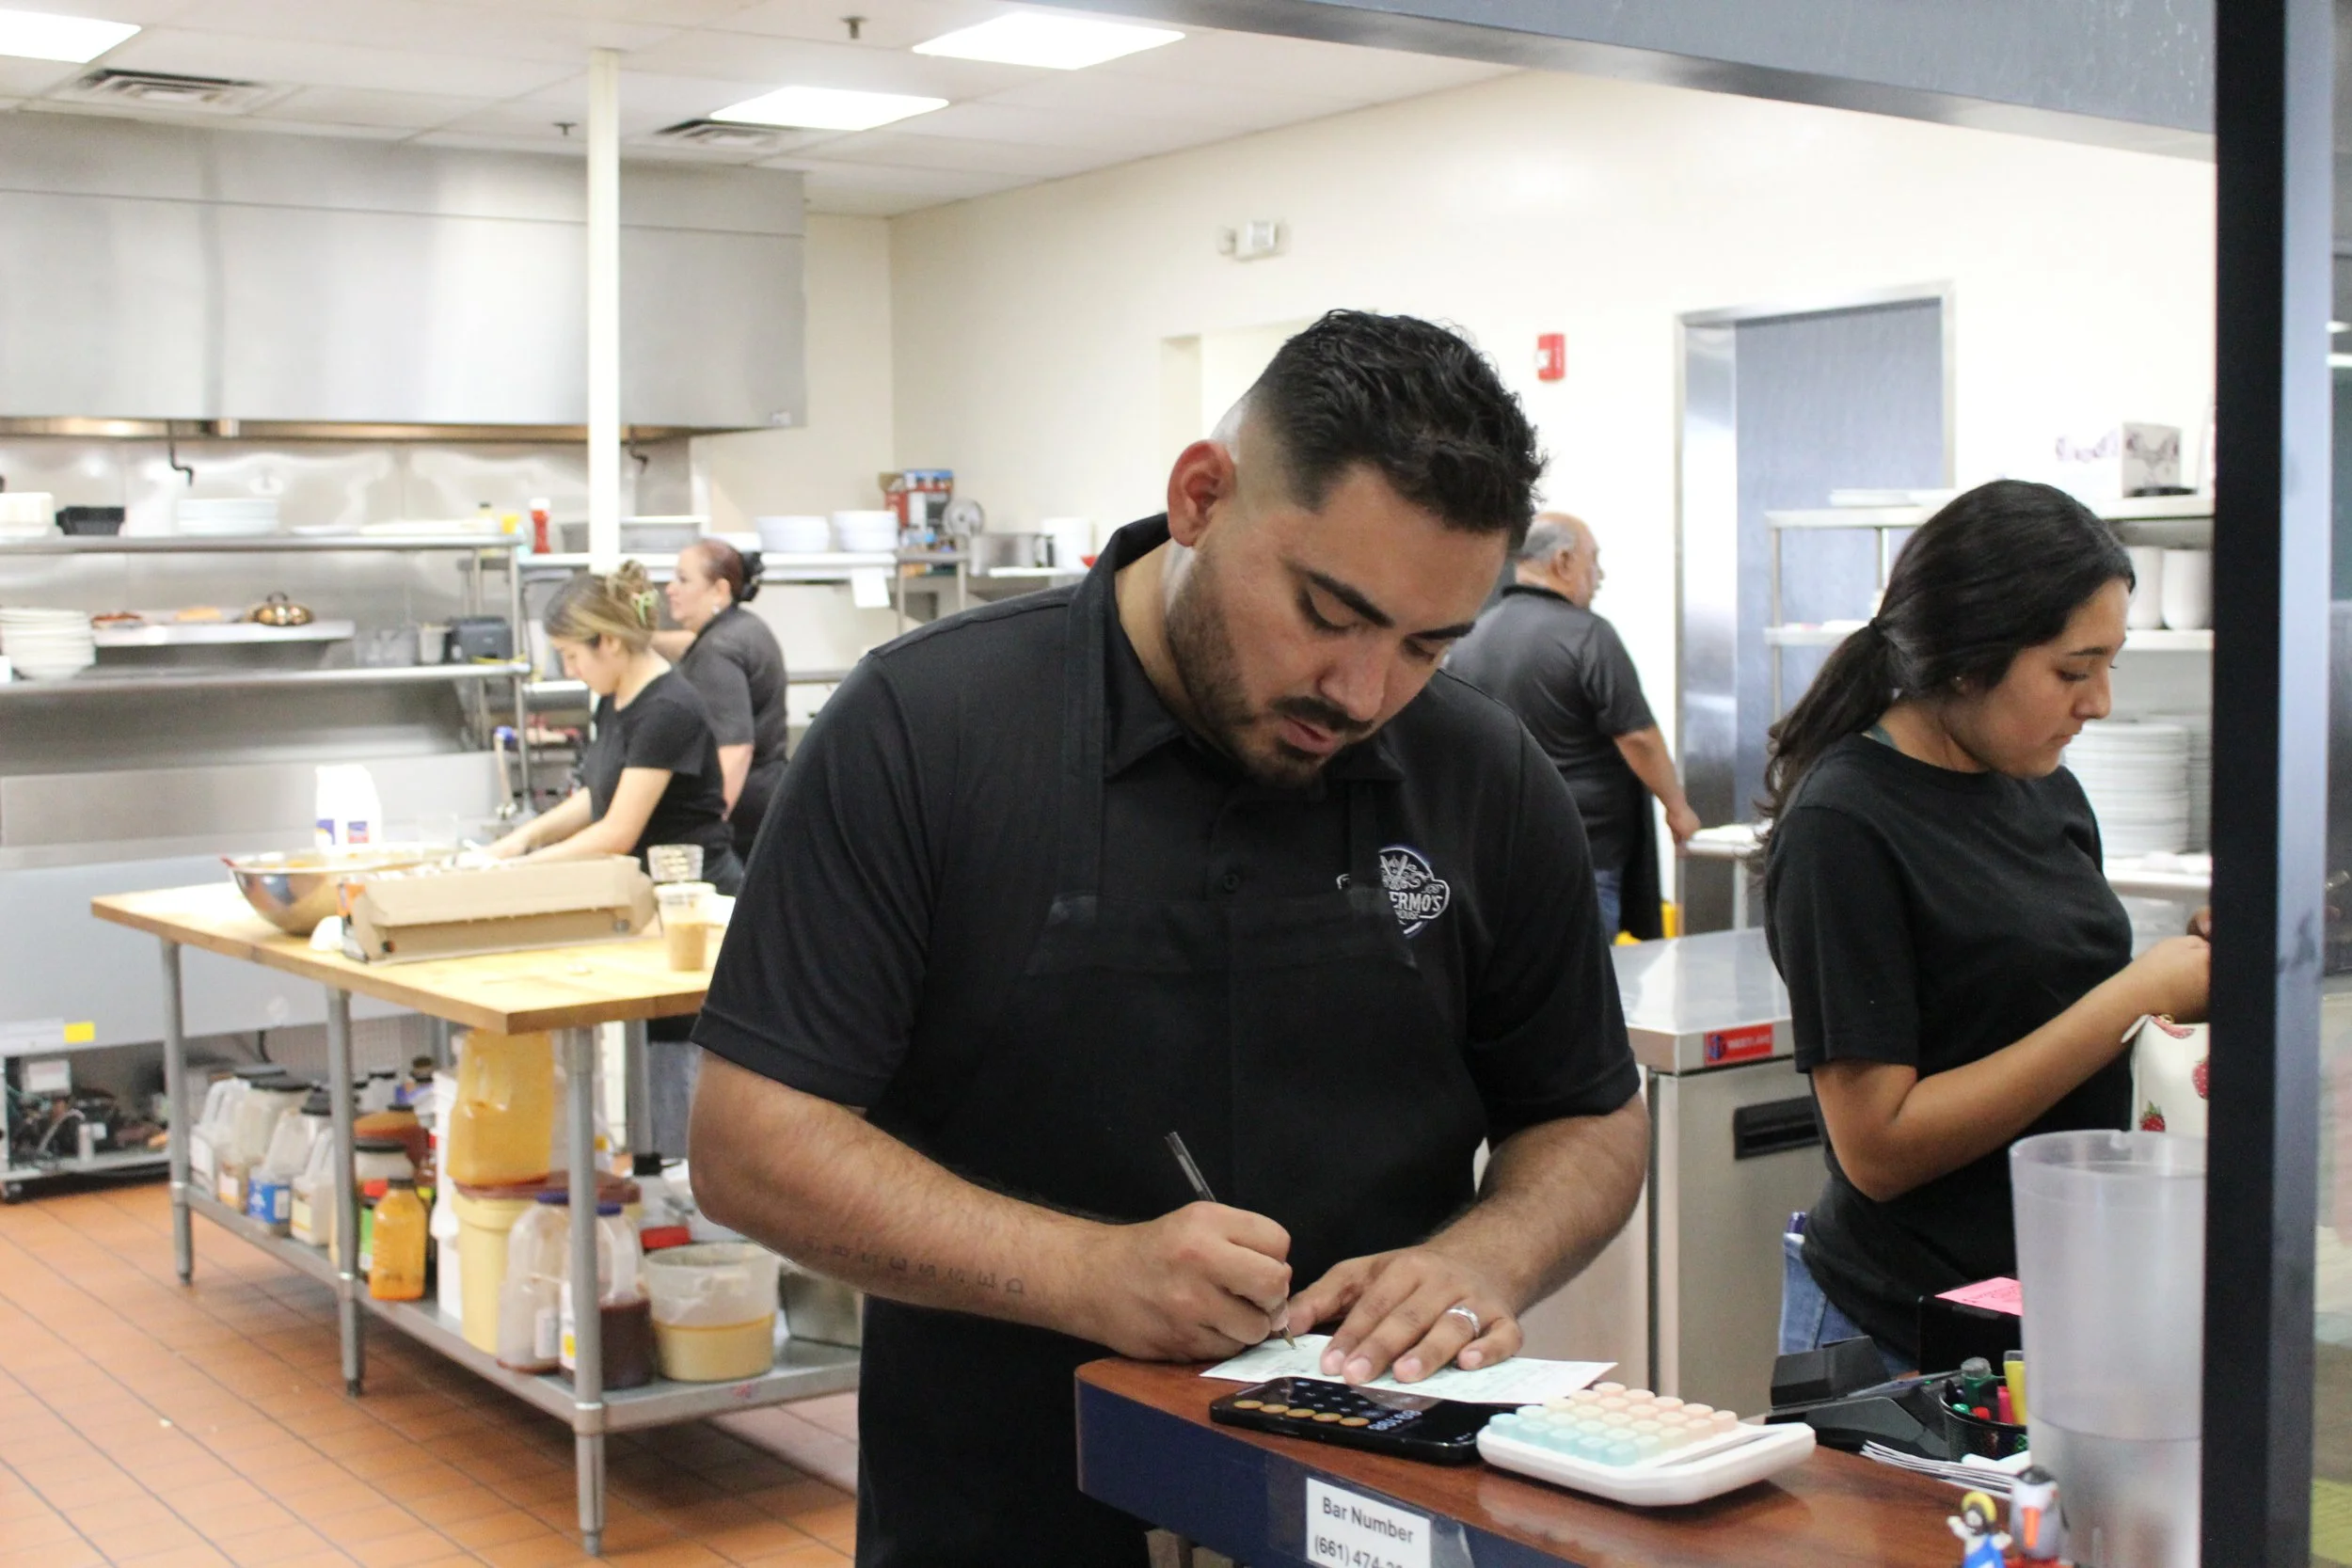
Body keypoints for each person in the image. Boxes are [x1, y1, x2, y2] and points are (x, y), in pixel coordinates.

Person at [688, 310, 1649, 1567]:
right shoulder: (928, 730)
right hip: (1004, 1504)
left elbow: (1586, 1111)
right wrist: (1084, 1271)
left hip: (1378, 1507)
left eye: (1425, 645)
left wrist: (1485, 1253)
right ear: (1202, 495)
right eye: (1328, 610)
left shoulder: (1482, 770)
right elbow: (752, 1142)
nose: (1362, 695)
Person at [1763, 480, 2209, 1375]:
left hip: (2046, 1308)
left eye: (2110, 665)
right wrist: (2135, 992)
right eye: (2074, 671)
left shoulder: (2042, 785)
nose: (2101, 703)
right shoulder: (1845, 824)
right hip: (1903, 1332)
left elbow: (2044, 995)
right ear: (1969, 660)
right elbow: (1879, 1147)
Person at [1446, 514, 1700, 938]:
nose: (1599, 576)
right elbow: (1637, 736)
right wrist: (1678, 808)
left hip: (1493, 851)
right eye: (1593, 561)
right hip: (1582, 851)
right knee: (1585, 985)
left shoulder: (1471, 636)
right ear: (1563, 561)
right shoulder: (1587, 635)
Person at [488, 562, 744, 896]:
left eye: (571, 655)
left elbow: (617, 833)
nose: (570, 670)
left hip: (692, 896)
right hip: (646, 889)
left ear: (609, 641)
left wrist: (519, 870)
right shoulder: (616, 696)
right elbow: (597, 794)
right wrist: (519, 841)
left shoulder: (667, 710)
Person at [653, 538, 790, 856]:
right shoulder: (743, 627)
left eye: (683, 580)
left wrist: (711, 824)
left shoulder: (716, 651)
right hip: (769, 796)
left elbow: (736, 749)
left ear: (719, 590)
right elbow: (688, 644)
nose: (670, 589)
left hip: (742, 813)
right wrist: (641, 641)